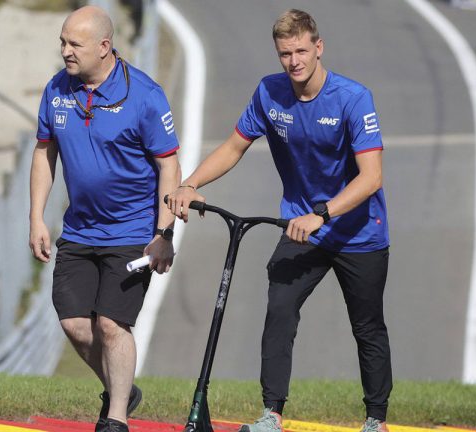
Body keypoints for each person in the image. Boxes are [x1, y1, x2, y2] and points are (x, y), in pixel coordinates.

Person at [167, 9, 392, 432]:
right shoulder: (269, 93)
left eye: (301, 51)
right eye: (285, 53)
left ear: (318, 47)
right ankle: (272, 413)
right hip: (300, 228)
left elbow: (372, 177)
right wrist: (190, 183)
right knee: (279, 309)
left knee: (366, 325)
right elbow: (234, 147)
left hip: (357, 231)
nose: (294, 61)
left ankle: (375, 418)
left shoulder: (352, 98)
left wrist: (321, 213)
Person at [29, 6, 180, 432]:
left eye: (74, 44)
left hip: (133, 231)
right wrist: (36, 217)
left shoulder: (145, 96)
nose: (65, 51)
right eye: (62, 41)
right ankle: (123, 390)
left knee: (112, 324)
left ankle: (115, 419)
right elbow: (45, 152)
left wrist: (164, 233)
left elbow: (170, 166)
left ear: (104, 47)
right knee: (76, 325)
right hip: (79, 229)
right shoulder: (57, 90)